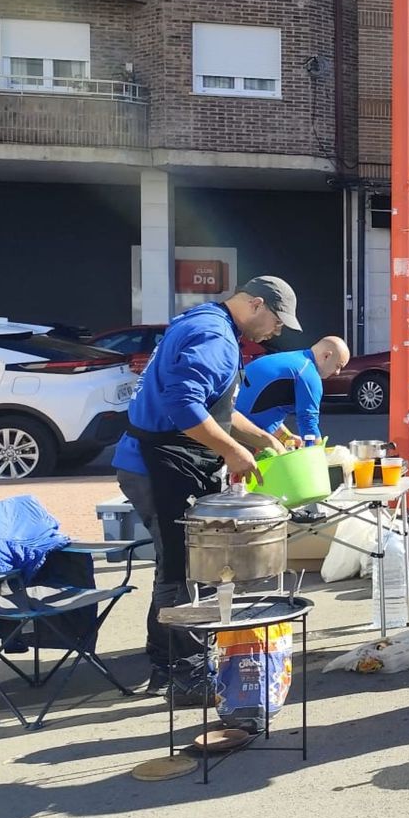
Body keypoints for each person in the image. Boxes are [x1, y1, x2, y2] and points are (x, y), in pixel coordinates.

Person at [112, 277, 299, 702]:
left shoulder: (207, 321)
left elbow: (220, 410)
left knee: (180, 567)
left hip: (165, 460)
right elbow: (184, 406)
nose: (277, 331)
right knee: (186, 570)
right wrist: (233, 452)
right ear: (255, 305)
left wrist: (264, 439)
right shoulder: (213, 335)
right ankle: (184, 675)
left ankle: (166, 665)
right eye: (276, 320)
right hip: (157, 464)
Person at [236, 337, 351, 441]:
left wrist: (286, 437)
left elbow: (266, 407)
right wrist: (320, 455)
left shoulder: (293, 360)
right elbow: (308, 422)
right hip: (240, 431)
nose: (337, 373)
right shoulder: (309, 374)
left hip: (228, 420)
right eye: (338, 366)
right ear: (327, 356)